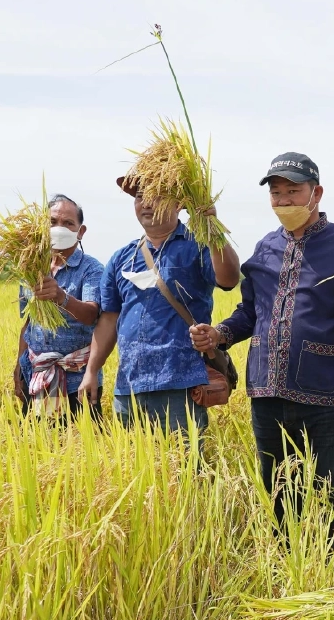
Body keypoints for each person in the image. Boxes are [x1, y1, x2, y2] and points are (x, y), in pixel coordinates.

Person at [190, 152, 334, 521]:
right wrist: (219, 334)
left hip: (329, 394)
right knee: (279, 494)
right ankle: (286, 555)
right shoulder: (266, 248)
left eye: (293, 191)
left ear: (316, 193)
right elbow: (250, 312)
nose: (284, 200)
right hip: (268, 393)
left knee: (333, 496)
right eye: (276, 193)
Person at [80, 176, 239, 432]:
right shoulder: (123, 257)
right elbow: (109, 319)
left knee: (182, 458)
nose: (146, 203)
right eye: (139, 197)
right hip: (129, 386)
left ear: (178, 204)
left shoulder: (198, 247)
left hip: (181, 383)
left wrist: (213, 229)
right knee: (130, 458)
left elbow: (229, 279)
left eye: (156, 196)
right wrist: (91, 371)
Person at [13, 193, 104, 418]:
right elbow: (29, 323)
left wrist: (62, 297)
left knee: (82, 439)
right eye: (52, 222)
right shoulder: (31, 267)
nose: (59, 228)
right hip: (35, 375)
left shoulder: (91, 269)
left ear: (80, 232)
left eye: (68, 223)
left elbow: (92, 314)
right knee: (35, 439)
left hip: (78, 380)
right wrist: (18, 366)